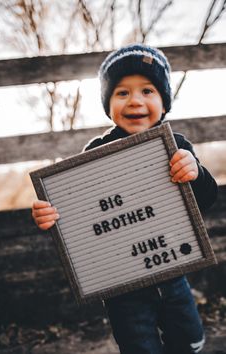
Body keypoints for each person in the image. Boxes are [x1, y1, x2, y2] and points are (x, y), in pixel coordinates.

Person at [32, 44, 218, 354]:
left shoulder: (177, 145)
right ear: (108, 104)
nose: (135, 101)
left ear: (164, 101)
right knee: (138, 345)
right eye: (122, 93)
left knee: (189, 340)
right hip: (121, 284)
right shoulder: (93, 153)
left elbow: (207, 200)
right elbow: (78, 212)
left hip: (171, 268)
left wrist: (195, 173)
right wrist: (51, 215)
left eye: (147, 91)